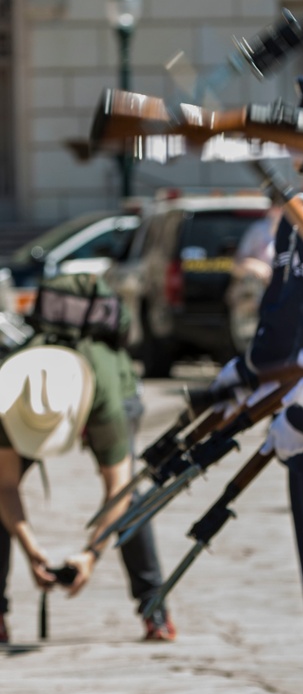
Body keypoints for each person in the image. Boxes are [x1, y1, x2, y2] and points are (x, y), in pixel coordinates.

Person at [0, 274, 174, 642]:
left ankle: (154, 609)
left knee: (132, 502)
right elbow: (5, 487)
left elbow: (118, 490)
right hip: (52, 399)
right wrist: (32, 550)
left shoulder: (106, 403)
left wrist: (90, 555)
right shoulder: (11, 396)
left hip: (110, 392)